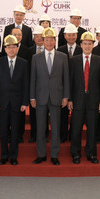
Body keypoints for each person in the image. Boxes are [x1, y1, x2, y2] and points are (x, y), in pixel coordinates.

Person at [30, 27, 70, 166]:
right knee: (41, 129)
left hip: (56, 97)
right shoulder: (36, 58)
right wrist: (32, 97)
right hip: (40, 98)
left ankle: (54, 155)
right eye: (46, 39)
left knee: (55, 129)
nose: (48, 42)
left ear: (55, 41)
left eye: (51, 39)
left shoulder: (62, 57)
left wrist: (66, 96)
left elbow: (66, 78)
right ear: (42, 40)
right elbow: (33, 79)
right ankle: (41, 155)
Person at [69, 31, 100, 164]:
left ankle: (91, 154)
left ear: (93, 45)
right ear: (81, 45)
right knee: (76, 129)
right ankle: (75, 154)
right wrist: (70, 99)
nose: (87, 46)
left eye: (90, 44)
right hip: (77, 100)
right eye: (85, 44)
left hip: (93, 101)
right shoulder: (73, 60)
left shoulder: (99, 60)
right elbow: (70, 81)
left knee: (92, 129)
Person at [0, 35, 29, 165]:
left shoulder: (23, 63)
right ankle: (3, 156)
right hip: (2, 103)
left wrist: (25, 102)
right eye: (9, 47)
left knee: (15, 132)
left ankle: (13, 156)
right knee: (3, 131)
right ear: (5, 49)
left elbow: (26, 84)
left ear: (17, 48)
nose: (11, 49)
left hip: (17, 103)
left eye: (14, 47)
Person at [56, 23, 81, 143]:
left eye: (73, 35)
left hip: (78, 86)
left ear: (77, 35)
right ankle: (63, 135)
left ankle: (74, 135)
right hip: (63, 85)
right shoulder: (59, 50)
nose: (71, 37)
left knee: (76, 114)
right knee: (63, 113)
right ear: (65, 36)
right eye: (69, 35)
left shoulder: (82, 49)